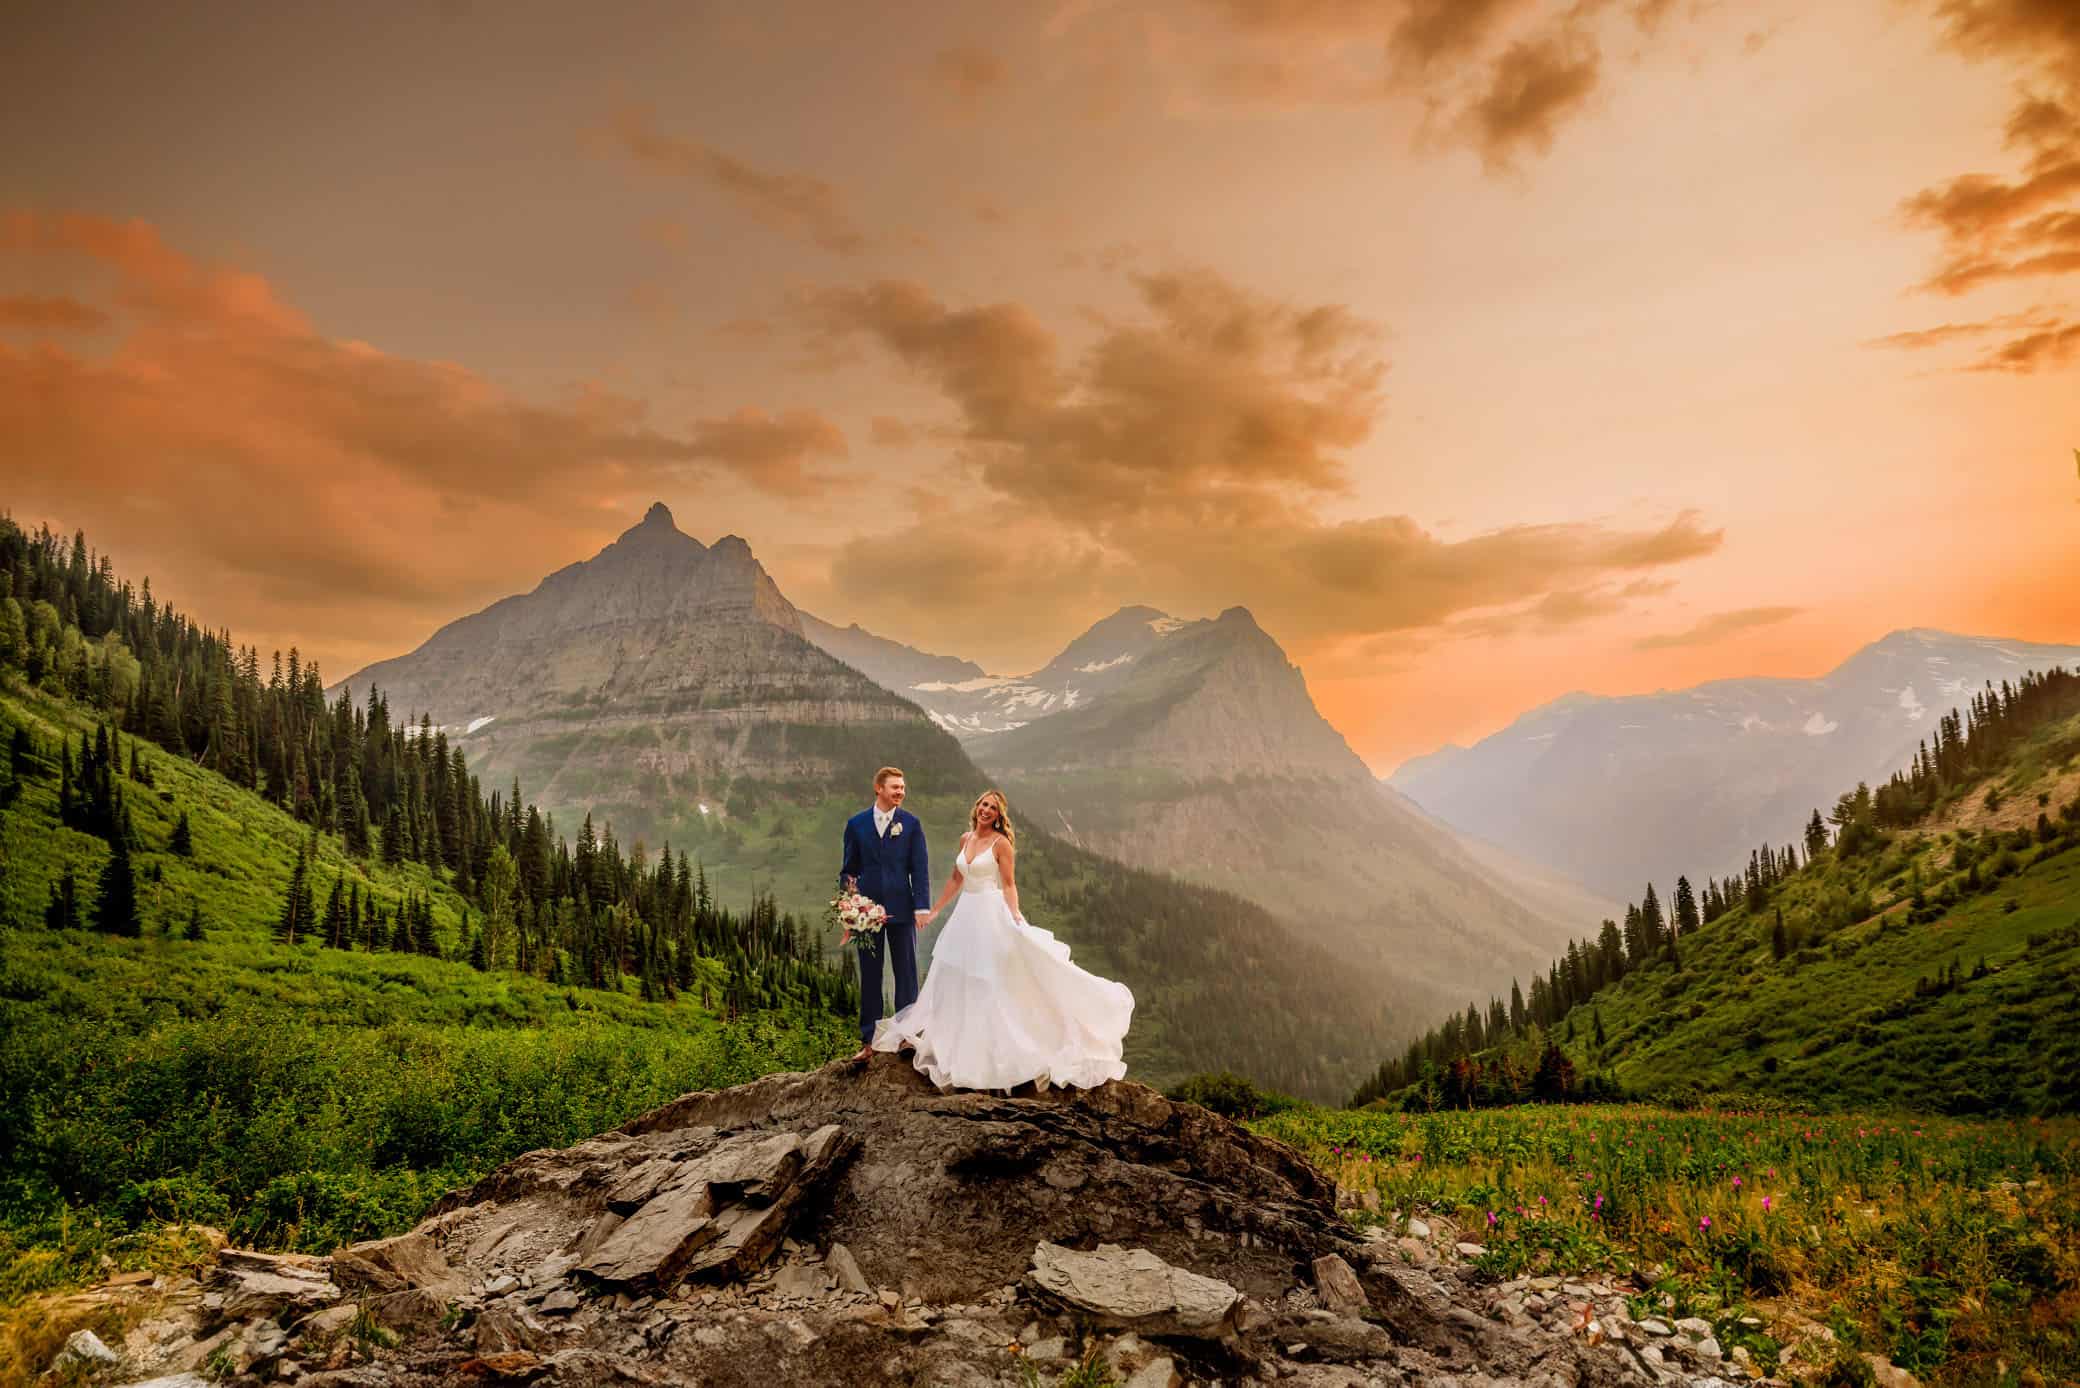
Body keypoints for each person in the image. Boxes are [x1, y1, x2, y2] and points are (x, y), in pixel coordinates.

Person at [870, 789, 1134, 1092]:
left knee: (989, 979)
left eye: (993, 808)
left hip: (989, 913)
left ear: (998, 816)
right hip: (965, 915)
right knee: (956, 976)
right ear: (977, 807)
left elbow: (1009, 884)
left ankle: (995, 1052)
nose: (986, 810)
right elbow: (956, 879)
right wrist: (936, 910)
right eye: (984, 804)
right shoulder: (965, 839)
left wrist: (1015, 914)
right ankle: (960, 1042)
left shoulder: (1001, 844)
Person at [840, 766, 931, 1059]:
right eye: (895, 787)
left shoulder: (911, 824)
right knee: (870, 975)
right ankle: (869, 1041)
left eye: (902, 787)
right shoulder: (856, 825)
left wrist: (921, 907)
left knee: (906, 973)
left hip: (902, 909)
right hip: (866, 914)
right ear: (879, 788)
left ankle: (907, 1036)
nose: (900, 792)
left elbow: (920, 869)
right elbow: (849, 870)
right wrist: (849, 905)